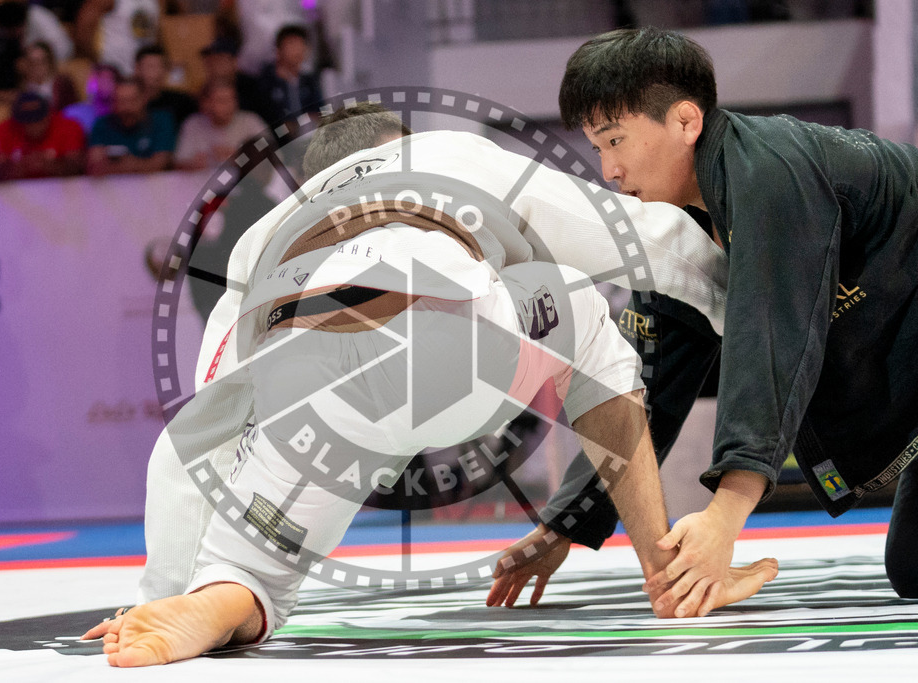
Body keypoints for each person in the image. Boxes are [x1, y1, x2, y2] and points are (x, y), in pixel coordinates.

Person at [81, 104, 776, 667]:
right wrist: (748, 307)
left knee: (251, 573)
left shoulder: (263, 236)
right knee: (584, 310)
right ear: (399, 143)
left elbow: (201, 430)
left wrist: (160, 589)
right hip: (450, 342)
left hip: (307, 381)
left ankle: (212, 598)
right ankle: (664, 572)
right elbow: (637, 236)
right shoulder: (445, 153)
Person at [496, 26, 918, 619]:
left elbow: (771, 337)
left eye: (615, 140)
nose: (609, 169)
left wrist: (724, 516)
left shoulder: (772, 170)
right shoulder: (676, 232)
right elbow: (645, 383)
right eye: (596, 147)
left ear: (686, 121)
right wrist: (565, 522)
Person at [0, 91, 85, 180]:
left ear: (49, 115)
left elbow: (78, 167)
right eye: (26, 121)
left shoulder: (68, 127)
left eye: (38, 120)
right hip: (16, 191)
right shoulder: (4, 129)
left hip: (64, 191)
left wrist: (50, 165)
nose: (32, 126)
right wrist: (21, 167)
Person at [173, 79, 266, 171]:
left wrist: (237, 157)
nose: (230, 105)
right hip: (202, 179)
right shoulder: (193, 123)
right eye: (222, 100)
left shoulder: (251, 121)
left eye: (232, 99)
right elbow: (178, 163)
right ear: (206, 103)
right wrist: (192, 164)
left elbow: (269, 156)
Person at [86, 76, 174, 175]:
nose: (127, 107)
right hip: (113, 184)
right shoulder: (102, 124)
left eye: (132, 100)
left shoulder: (161, 120)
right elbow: (95, 167)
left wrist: (119, 166)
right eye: (121, 101)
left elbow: (160, 164)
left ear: (144, 98)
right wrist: (139, 165)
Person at [247, 24, 322, 129]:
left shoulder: (309, 81)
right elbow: (265, 116)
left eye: (301, 44)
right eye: (292, 44)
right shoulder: (265, 81)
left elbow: (320, 111)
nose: (298, 49)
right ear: (278, 49)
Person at [74, 0, 159, 76]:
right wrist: (96, 61)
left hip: (144, 74)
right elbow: (83, 31)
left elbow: (156, 33)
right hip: (111, 71)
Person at [134, 44, 198, 131]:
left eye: (161, 66)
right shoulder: (127, 102)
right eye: (150, 66)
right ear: (137, 69)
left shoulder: (182, 102)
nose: (157, 72)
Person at [18, 40, 79, 111]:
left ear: (49, 62)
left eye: (41, 62)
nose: (37, 67)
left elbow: (73, 110)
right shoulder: (23, 88)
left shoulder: (63, 84)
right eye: (32, 63)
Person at [62, 62, 120, 135]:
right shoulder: (72, 113)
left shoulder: (124, 116)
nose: (104, 83)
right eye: (100, 78)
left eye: (109, 79)